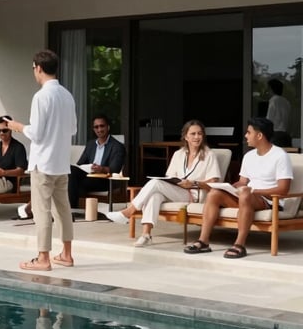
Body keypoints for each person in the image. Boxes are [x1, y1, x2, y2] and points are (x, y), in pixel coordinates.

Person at [8, 49, 77, 270]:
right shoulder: (67, 95)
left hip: (43, 163)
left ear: (38, 68)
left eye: (33, 69)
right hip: (61, 162)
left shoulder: (41, 96)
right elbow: (73, 129)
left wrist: (18, 127)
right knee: (63, 209)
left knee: (42, 211)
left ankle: (43, 258)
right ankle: (66, 254)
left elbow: (36, 133)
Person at [184, 117, 292, 258]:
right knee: (214, 193)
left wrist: (253, 191)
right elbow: (242, 182)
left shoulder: (280, 156)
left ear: (259, 136)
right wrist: (230, 187)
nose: (246, 136)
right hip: (247, 197)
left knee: (246, 194)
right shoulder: (249, 156)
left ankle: (239, 245)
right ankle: (203, 241)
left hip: (269, 201)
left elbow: (283, 189)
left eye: (249, 132)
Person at [106, 120, 221, 246]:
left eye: (200, 134)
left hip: (194, 194)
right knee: (155, 195)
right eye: (193, 134)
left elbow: (214, 182)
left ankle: (129, 211)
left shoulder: (209, 155)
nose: (197, 137)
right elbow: (170, 176)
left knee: (155, 183)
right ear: (186, 136)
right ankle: (146, 235)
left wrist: (194, 183)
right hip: (176, 191)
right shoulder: (179, 154)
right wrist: (176, 182)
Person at [68, 114, 126, 208]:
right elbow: (80, 164)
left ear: (108, 127)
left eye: (102, 126)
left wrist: (101, 169)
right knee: (71, 171)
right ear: (94, 129)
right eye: (96, 127)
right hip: (89, 177)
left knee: (74, 183)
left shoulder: (117, 146)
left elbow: (115, 169)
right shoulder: (91, 144)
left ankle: (72, 209)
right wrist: (89, 167)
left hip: (104, 180)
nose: (99, 129)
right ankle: (73, 209)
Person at [266, 78, 292, 147]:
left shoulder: (273, 100)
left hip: (275, 135)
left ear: (271, 89)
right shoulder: (286, 102)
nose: (267, 91)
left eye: (268, 89)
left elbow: (269, 119)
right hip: (285, 134)